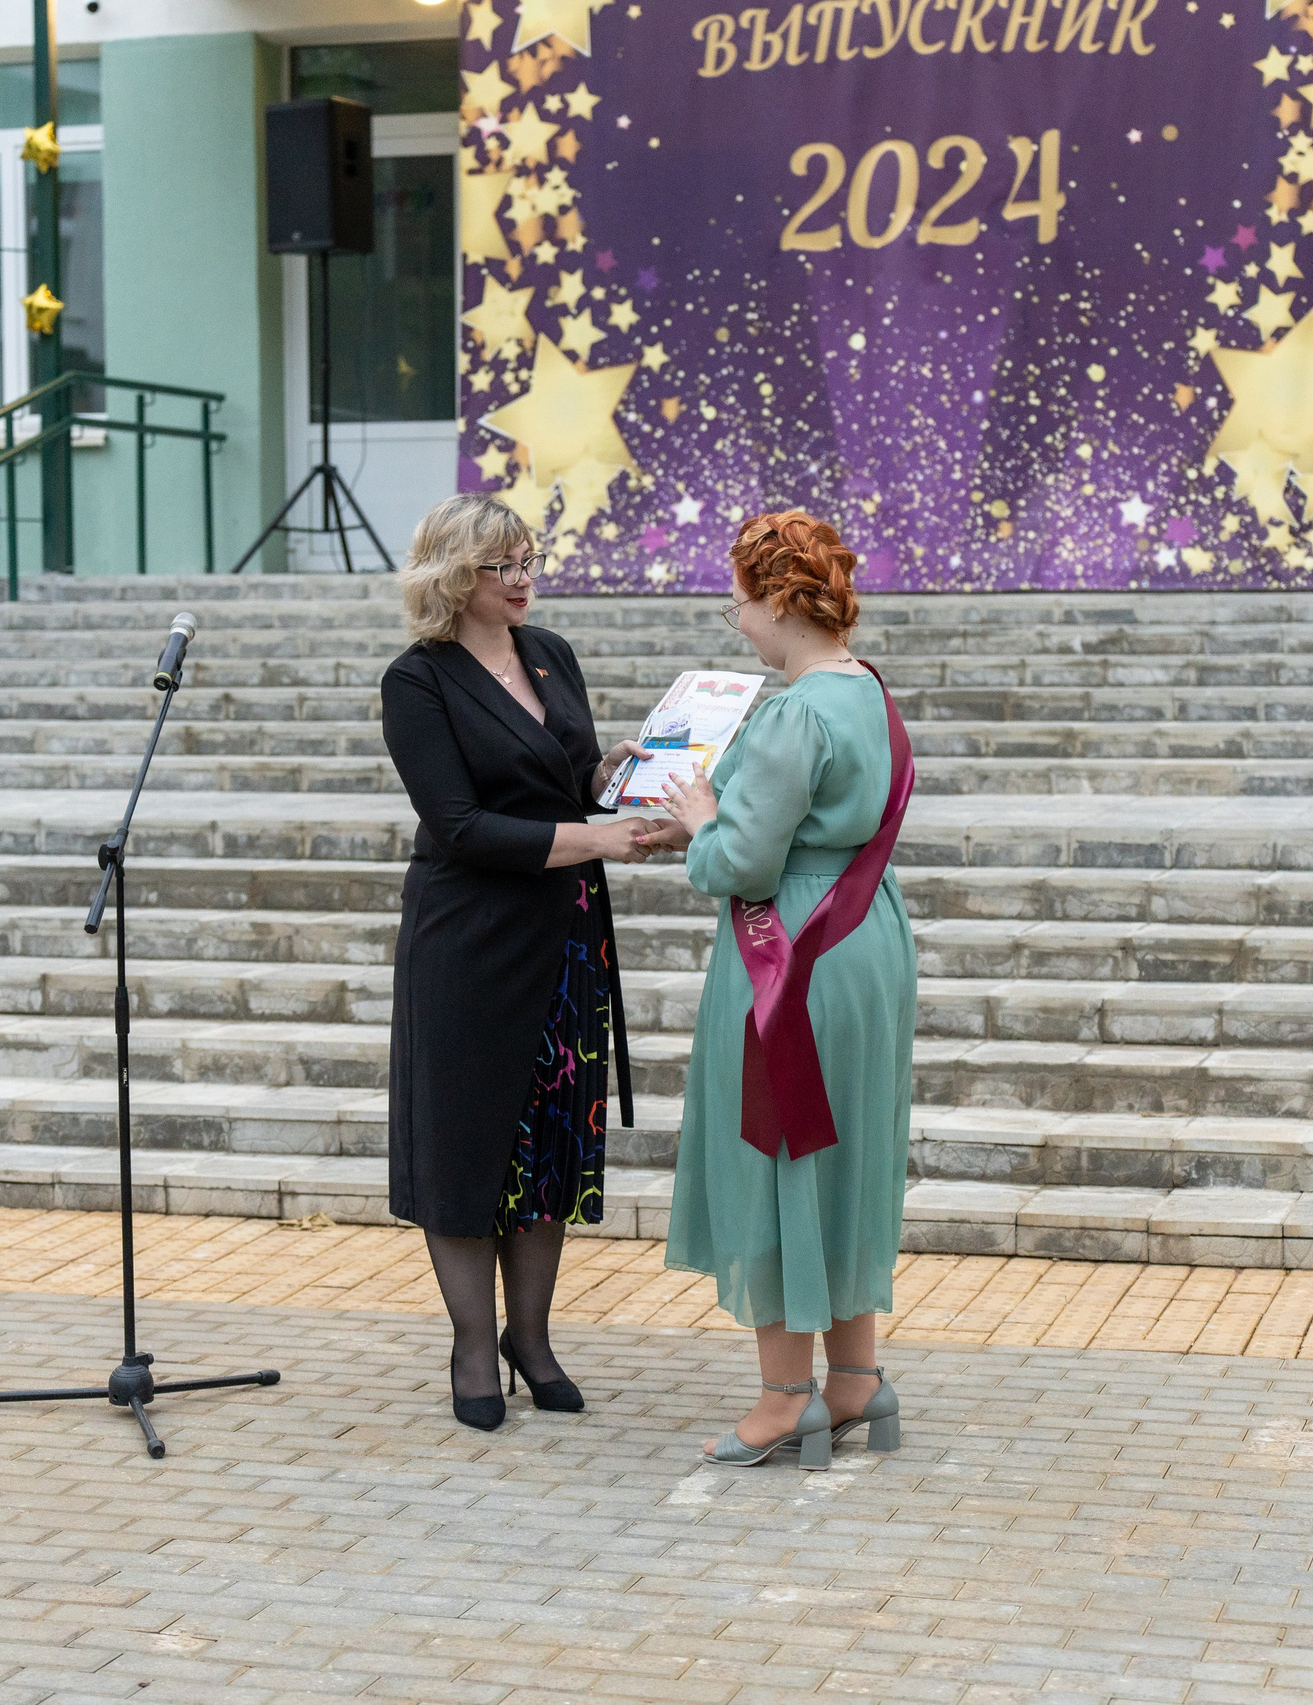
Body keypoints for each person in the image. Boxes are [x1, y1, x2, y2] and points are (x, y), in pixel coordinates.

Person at [637, 510, 917, 1470]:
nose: (736, 618)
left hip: (791, 947)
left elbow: (745, 865)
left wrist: (703, 819)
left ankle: (783, 1398)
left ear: (782, 601)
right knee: (845, 1153)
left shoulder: (795, 709)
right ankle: (855, 1378)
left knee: (780, 1148)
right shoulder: (865, 691)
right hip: (863, 932)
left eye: (740, 602)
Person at [379, 493, 662, 1432]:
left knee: (549, 1141)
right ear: (457, 576)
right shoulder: (417, 681)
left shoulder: (553, 655)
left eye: (529, 558)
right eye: (505, 564)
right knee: (467, 1142)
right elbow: (459, 824)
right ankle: (472, 1343)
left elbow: (558, 774)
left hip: (563, 935)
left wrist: (610, 776)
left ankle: (530, 1340)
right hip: (466, 942)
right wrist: (597, 836)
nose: (524, 577)